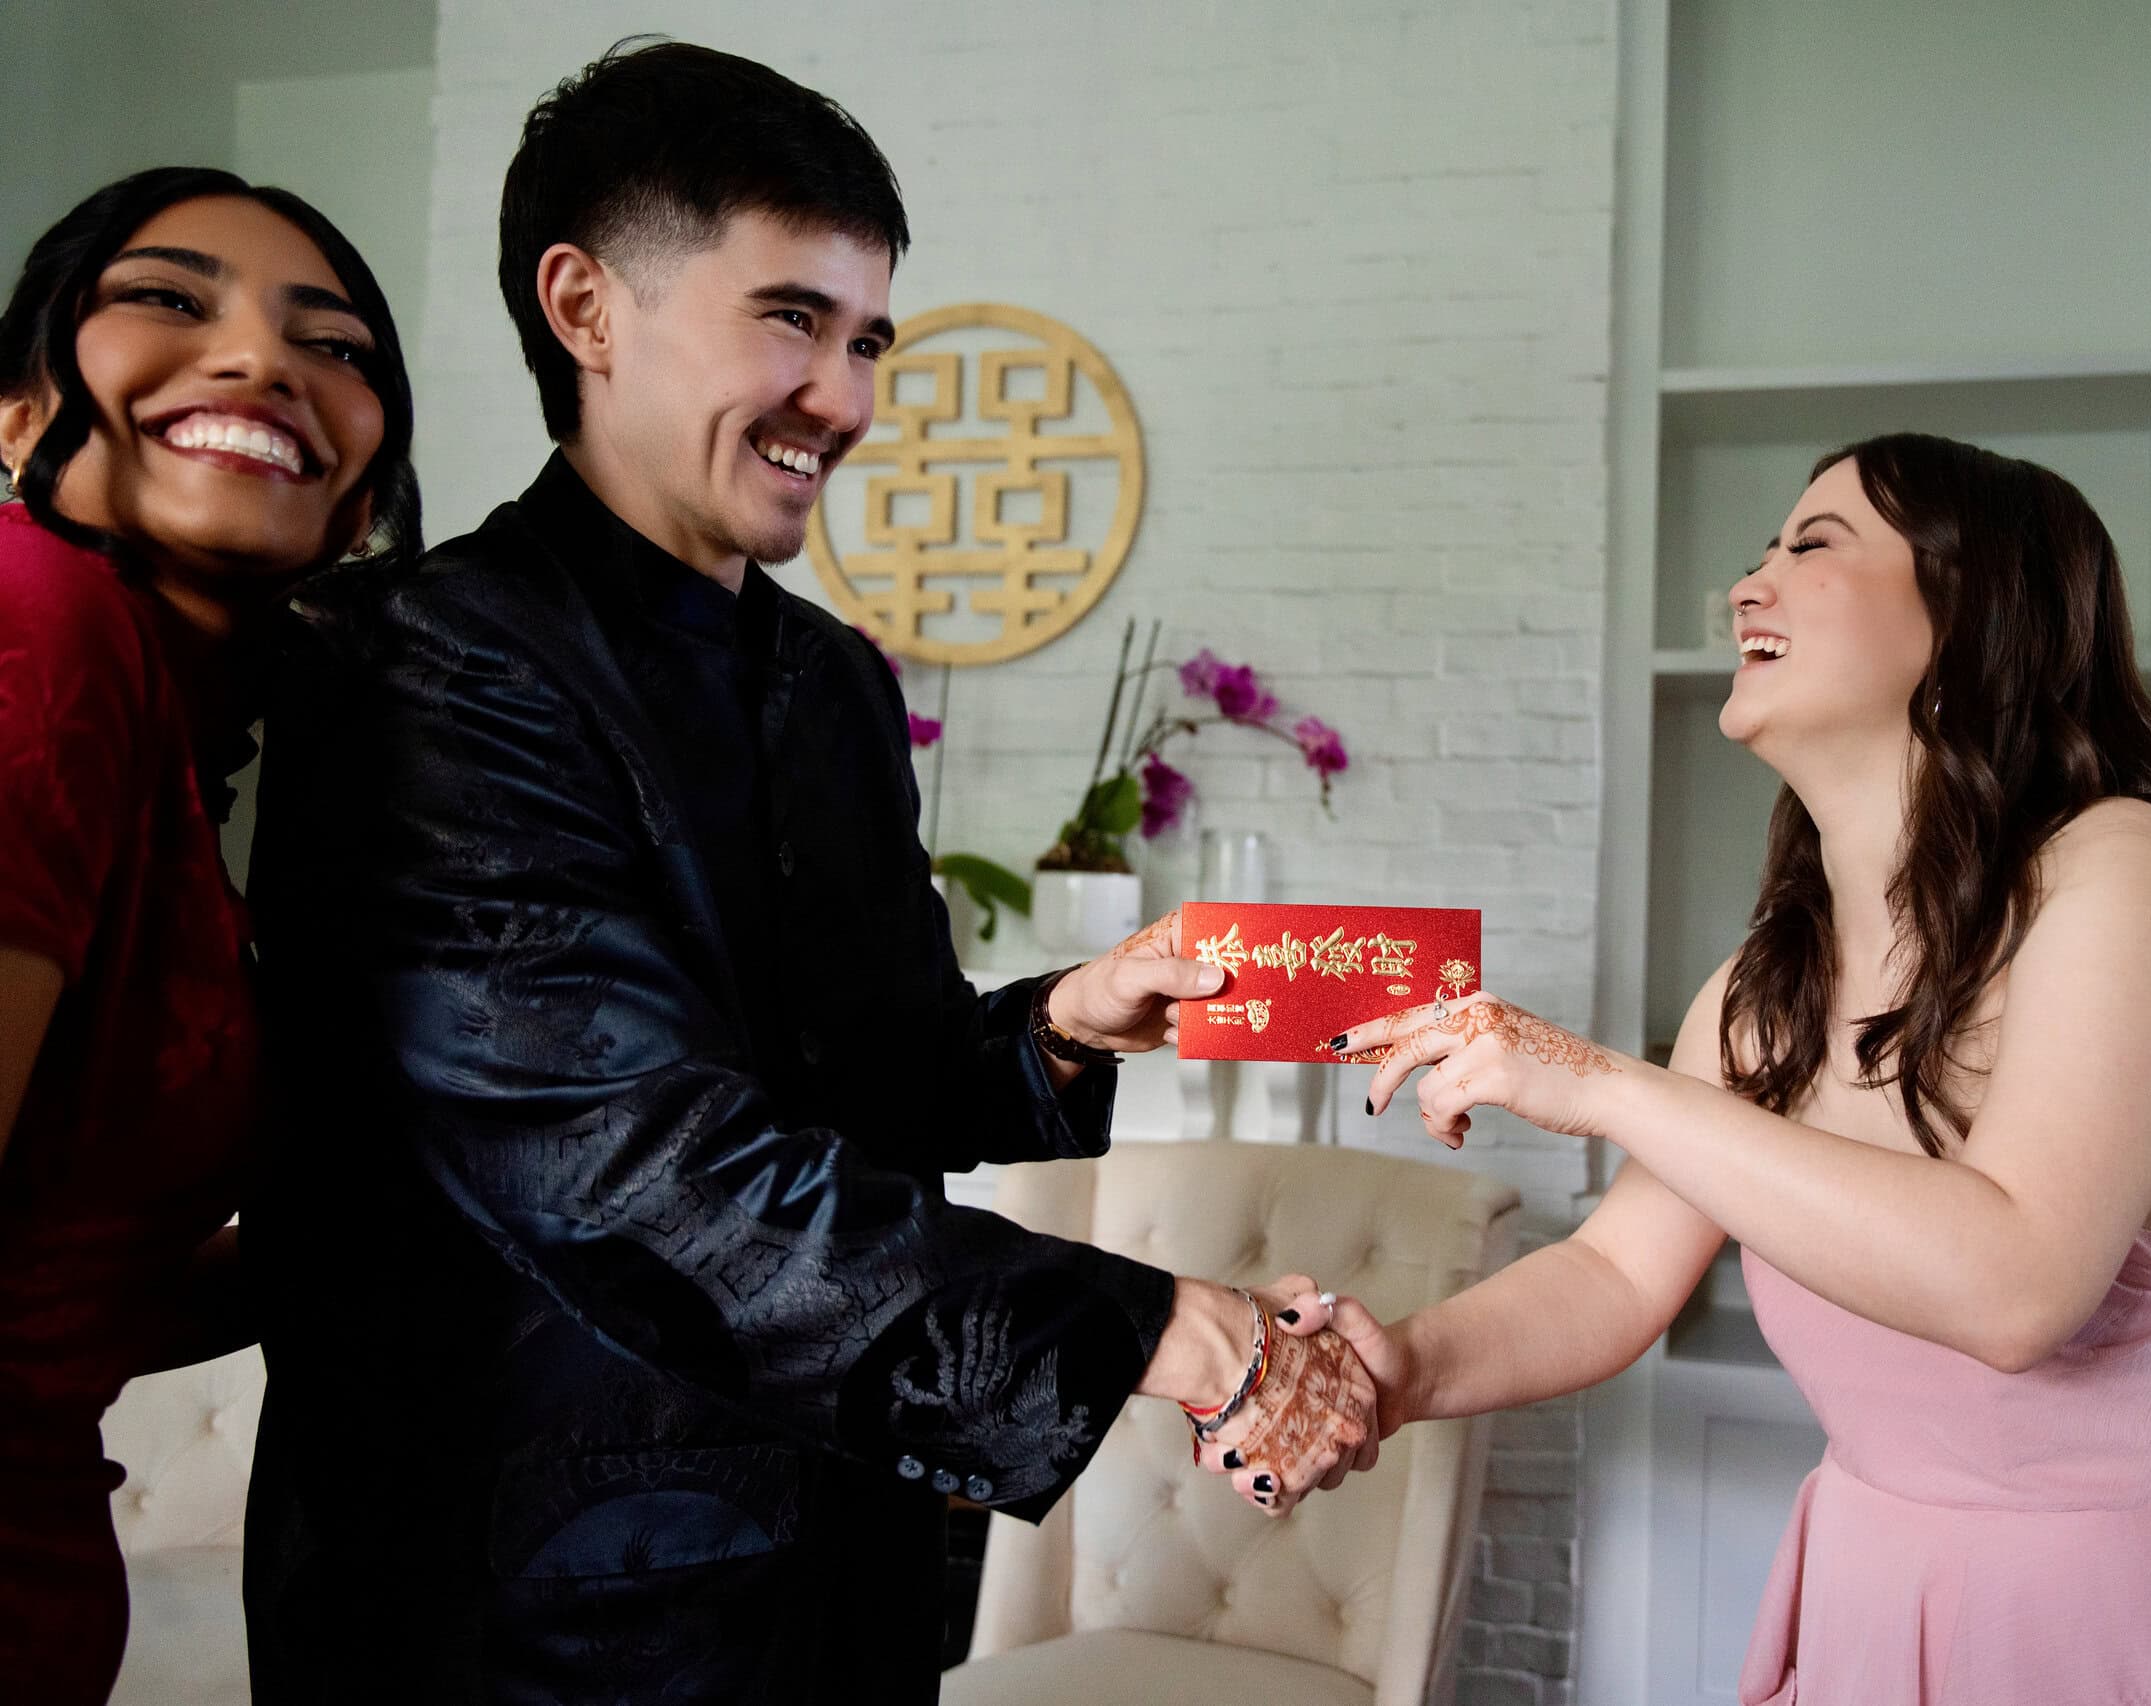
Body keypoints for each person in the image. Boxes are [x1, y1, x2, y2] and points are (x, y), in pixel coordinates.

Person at [242, 42, 1363, 1705]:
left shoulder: (833, 678)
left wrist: (1061, 1023)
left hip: (844, 1567)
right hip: (527, 1612)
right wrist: (1170, 1329)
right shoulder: (427, 659)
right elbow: (622, 1160)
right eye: (790, 320)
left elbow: (872, 1082)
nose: (843, 399)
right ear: (584, 305)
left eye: (868, 340)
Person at [1277, 435, 2151, 1703]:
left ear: (1970, 613)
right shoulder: (1764, 989)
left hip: (2112, 1619)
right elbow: (1613, 1273)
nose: (1746, 586)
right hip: (1869, 1592)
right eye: (1763, 551)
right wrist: (1400, 1368)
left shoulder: (2121, 861)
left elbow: (2019, 1284)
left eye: (1811, 544)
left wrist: (1599, 1081)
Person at [0, 167, 418, 1706]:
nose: (257, 359)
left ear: (362, 495)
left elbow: (58, 1289)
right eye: (168, 299)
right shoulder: (33, 622)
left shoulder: (187, 769)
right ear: (17, 414)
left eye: (333, 345)